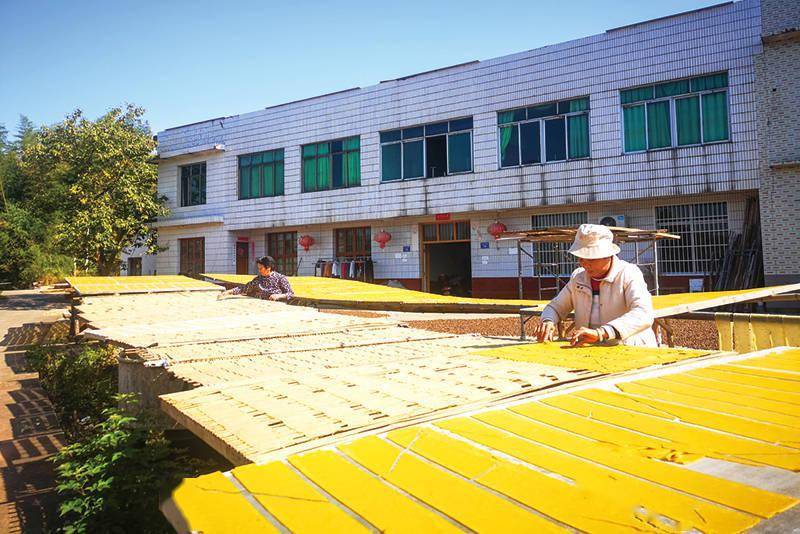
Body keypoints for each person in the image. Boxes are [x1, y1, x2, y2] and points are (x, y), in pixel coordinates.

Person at [533, 224, 657, 347]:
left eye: (591, 259)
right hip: (592, 350)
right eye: (581, 259)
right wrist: (548, 321)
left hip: (632, 348)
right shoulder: (578, 278)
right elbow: (556, 307)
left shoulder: (628, 273)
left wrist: (603, 332)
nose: (585, 264)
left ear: (608, 255)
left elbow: (643, 313)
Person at [218, 256, 294, 301]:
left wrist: (278, 296)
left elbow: (290, 293)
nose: (259, 270)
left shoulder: (280, 278)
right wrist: (228, 292)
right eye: (258, 268)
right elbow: (244, 288)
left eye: (261, 268)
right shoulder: (258, 279)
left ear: (268, 268)